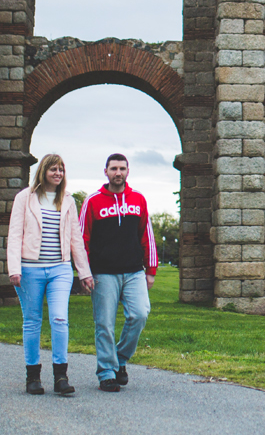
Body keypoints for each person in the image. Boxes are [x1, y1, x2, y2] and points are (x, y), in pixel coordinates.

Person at [7, 153, 94, 396]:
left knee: (59, 318)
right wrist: (14, 268)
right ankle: (33, 377)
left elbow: (76, 240)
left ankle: (60, 376)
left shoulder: (67, 200)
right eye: (53, 169)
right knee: (32, 321)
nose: (58, 174)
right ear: (43, 171)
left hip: (60, 270)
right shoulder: (25, 198)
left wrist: (84, 272)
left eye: (61, 170)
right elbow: (14, 234)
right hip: (29, 270)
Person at [79, 153, 157, 392]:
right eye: (113, 168)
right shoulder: (92, 201)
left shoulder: (138, 200)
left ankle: (119, 360)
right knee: (104, 324)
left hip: (134, 271)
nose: (118, 173)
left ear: (128, 171)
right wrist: (84, 271)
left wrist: (150, 269)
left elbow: (147, 236)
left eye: (122, 168)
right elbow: (82, 238)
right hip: (103, 273)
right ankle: (106, 373)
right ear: (106, 172)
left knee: (140, 314)